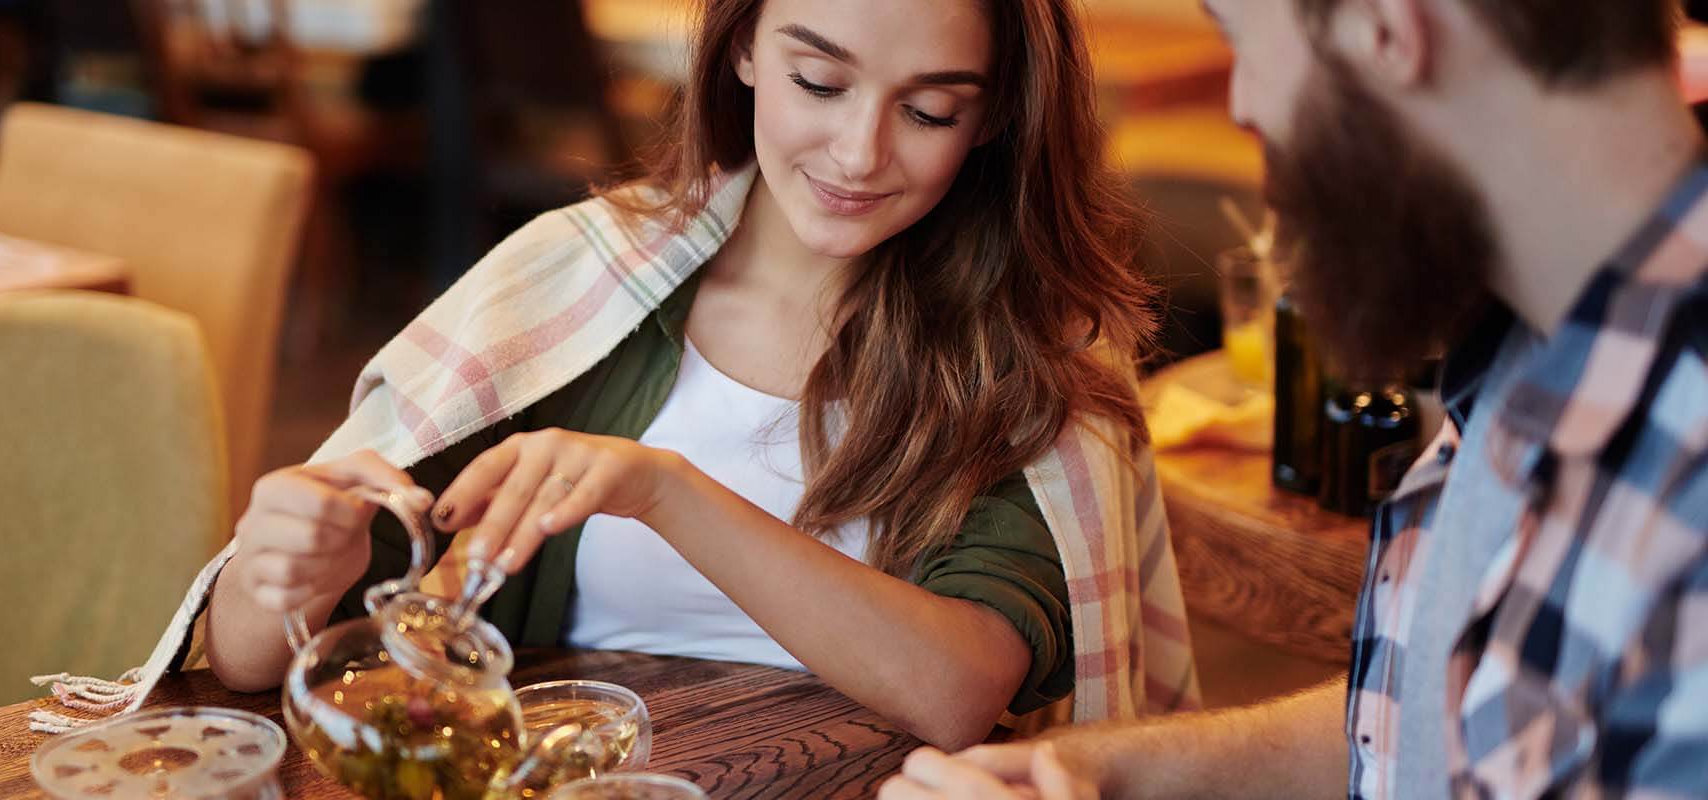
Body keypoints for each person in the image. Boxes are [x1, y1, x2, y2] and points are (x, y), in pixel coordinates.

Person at [79, 0, 1215, 753]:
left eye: (930, 110)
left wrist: (664, 488)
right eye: (819, 81)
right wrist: (275, 572)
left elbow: (964, 684)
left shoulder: (1028, 344)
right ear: (743, 50)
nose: (862, 153)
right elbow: (252, 654)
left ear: (993, 122)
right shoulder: (570, 287)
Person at [880, 0, 1708, 796]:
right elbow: (1455, 728)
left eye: (1240, 35)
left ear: (1385, 26)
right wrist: (1105, 771)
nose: (1243, 104)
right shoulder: (1547, 343)